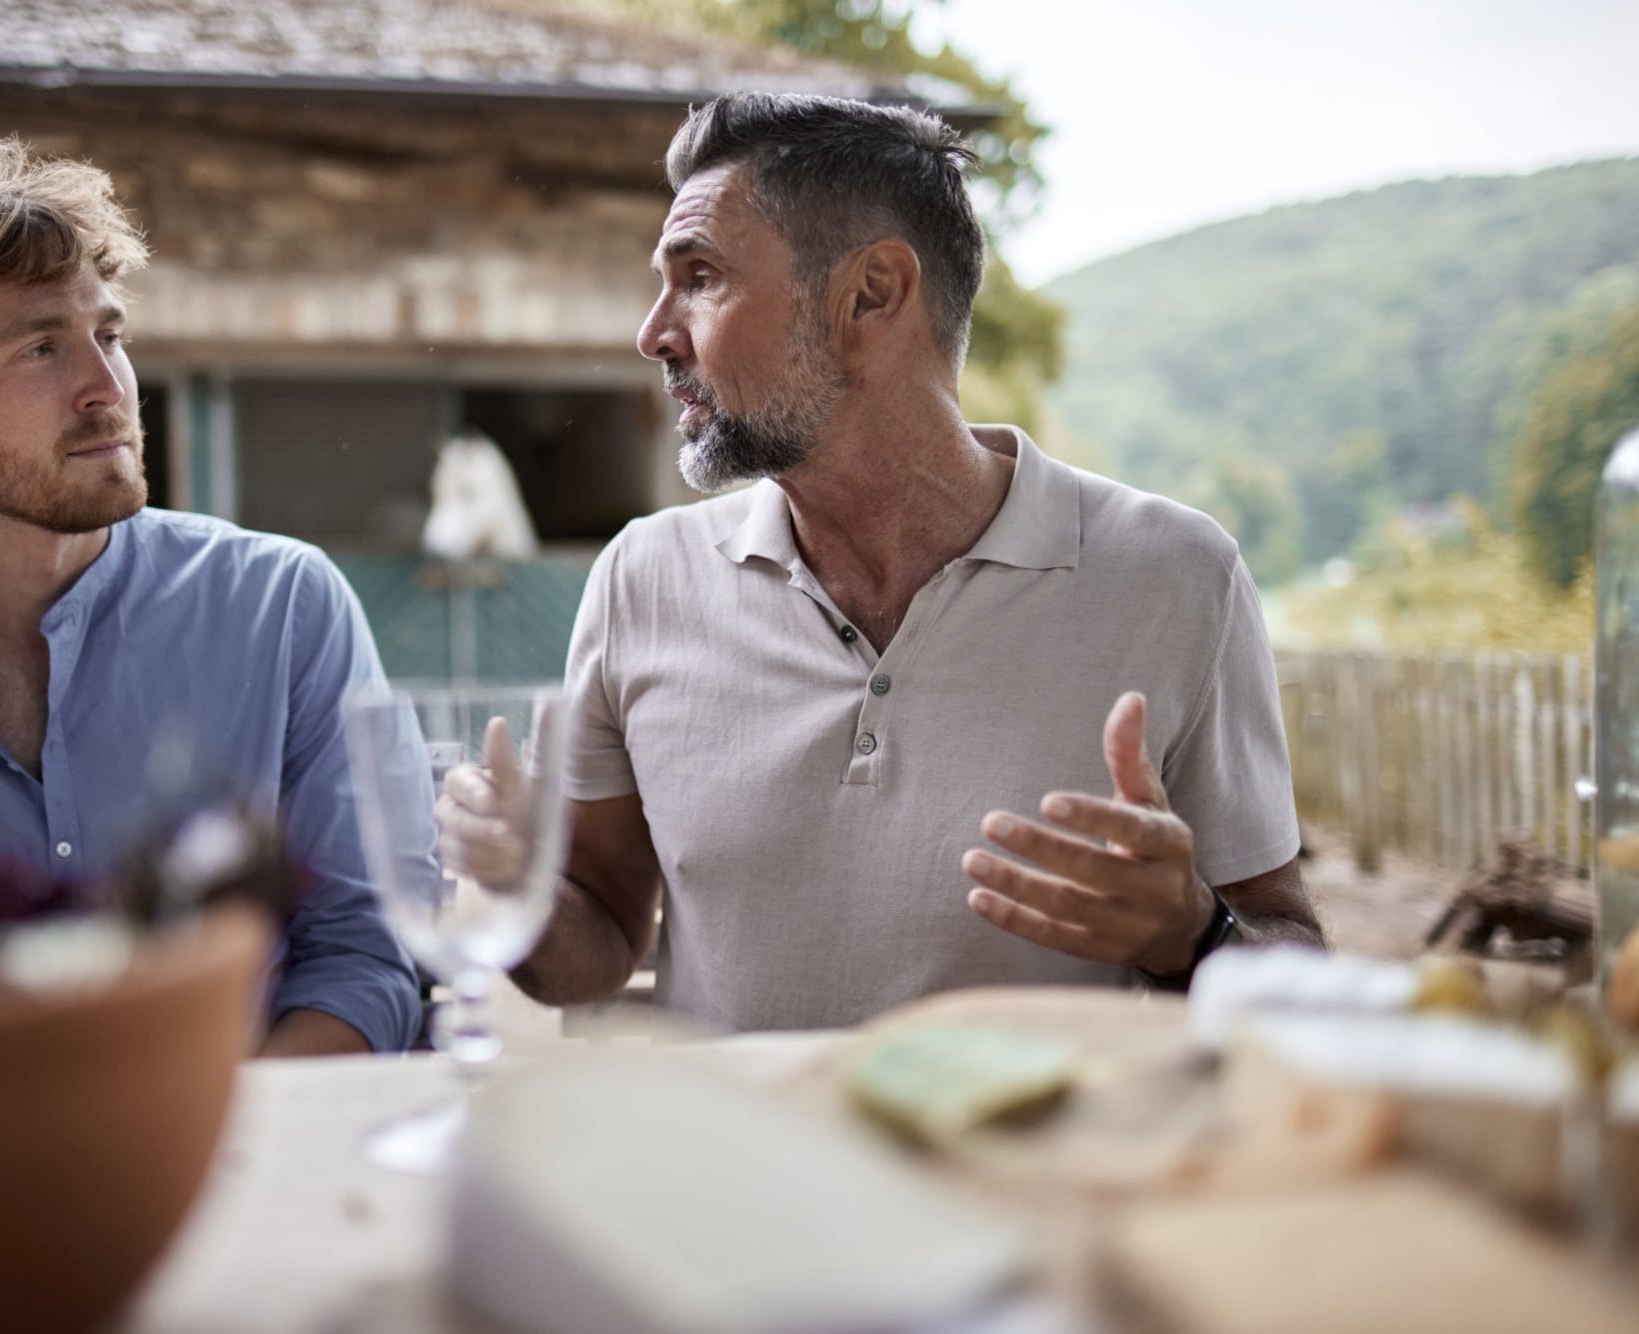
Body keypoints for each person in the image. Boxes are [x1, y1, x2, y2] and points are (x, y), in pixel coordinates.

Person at [442, 93, 1324, 1034]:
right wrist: (518, 882)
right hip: (718, 1177)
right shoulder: (641, 579)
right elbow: (596, 951)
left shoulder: (1177, 577)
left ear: (871, 294)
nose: (654, 332)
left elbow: (1297, 968)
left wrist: (1195, 931)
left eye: (700, 278)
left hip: (1021, 1177)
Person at [0, 139, 425, 1056]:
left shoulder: (284, 606)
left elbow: (366, 955)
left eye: (110, 336)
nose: (107, 388)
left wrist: (197, 1158)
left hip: (253, 1165)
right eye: (41, 347)